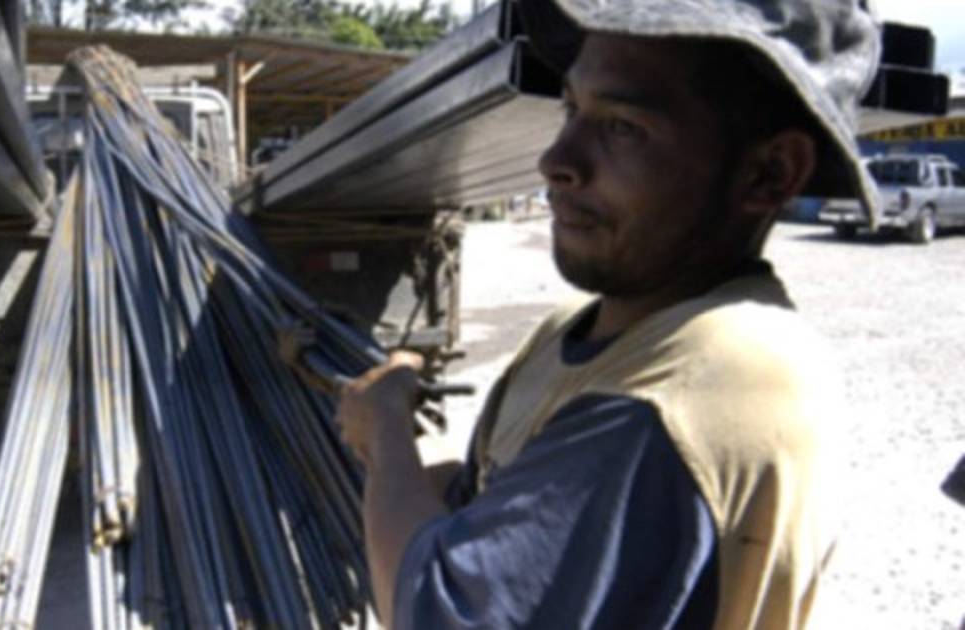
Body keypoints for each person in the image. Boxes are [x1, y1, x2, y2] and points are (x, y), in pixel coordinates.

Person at [334, 0, 883, 628]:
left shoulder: (693, 388)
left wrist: (385, 432)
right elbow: (476, 509)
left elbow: (434, 612)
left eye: (623, 126)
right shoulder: (576, 335)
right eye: (571, 109)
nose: (556, 161)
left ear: (769, 173)